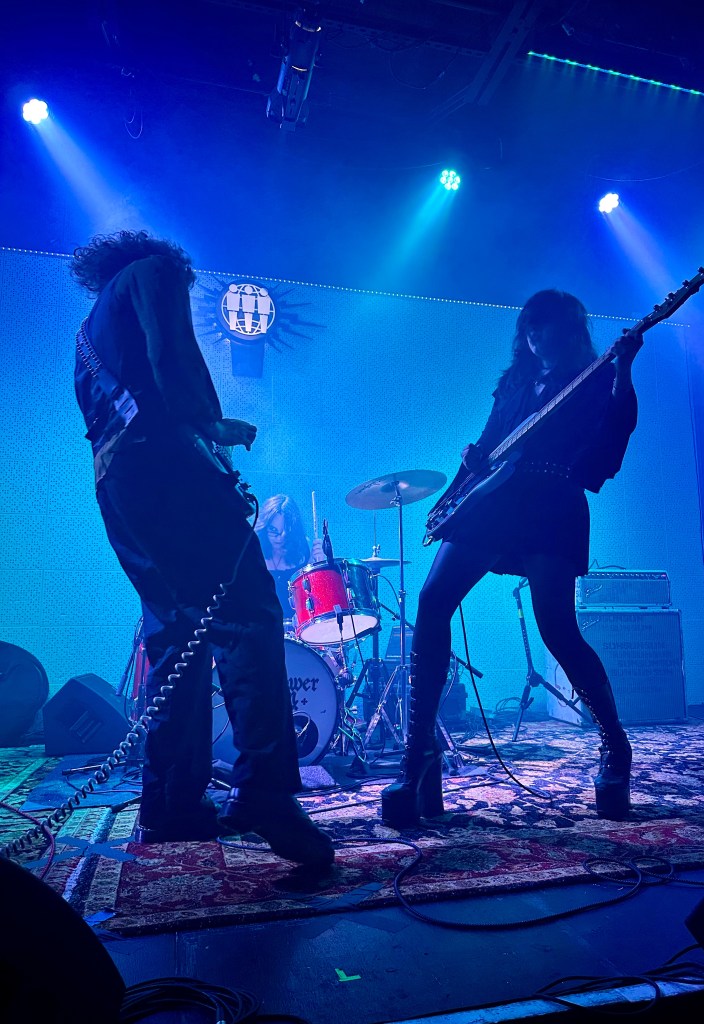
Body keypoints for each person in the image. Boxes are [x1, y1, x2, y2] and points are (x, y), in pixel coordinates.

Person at [71, 229, 333, 868]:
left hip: (118, 480)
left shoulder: (90, 325)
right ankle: (266, 792)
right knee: (250, 615)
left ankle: (173, 805)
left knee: (175, 635)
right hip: (165, 469)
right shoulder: (152, 270)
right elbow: (174, 357)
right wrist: (209, 422)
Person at [381, 289, 643, 828]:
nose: (534, 337)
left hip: (553, 504)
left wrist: (624, 371)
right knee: (432, 602)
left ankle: (615, 748)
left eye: (545, 327)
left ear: (569, 331)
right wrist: (469, 469)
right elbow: (488, 446)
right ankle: (418, 755)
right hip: (496, 502)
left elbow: (611, 445)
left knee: (557, 629)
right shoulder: (514, 383)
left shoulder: (595, 378)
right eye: (528, 328)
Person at [254, 494, 324, 628]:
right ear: (265, 526)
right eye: (274, 530)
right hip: (261, 623)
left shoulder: (302, 547)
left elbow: (309, 591)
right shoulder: (254, 547)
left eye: (286, 531)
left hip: (295, 625)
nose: (280, 538)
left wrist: (316, 565)